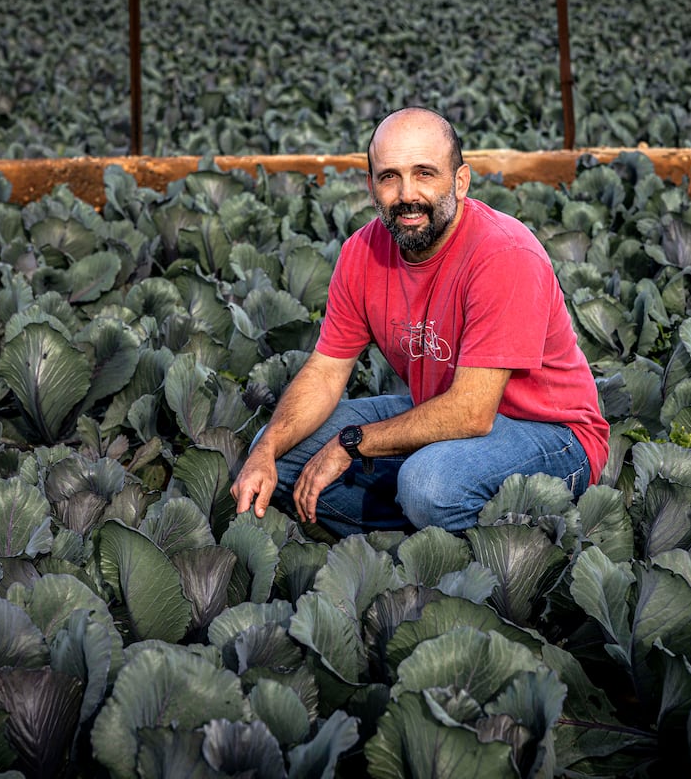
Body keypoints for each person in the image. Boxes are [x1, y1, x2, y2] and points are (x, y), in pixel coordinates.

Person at [230, 107, 609, 536]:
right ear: (371, 186)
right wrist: (266, 449)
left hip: (550, 435)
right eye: (390, 176)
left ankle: (493, 539)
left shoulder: (503, 255)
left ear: (460, 181)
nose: (407, 194)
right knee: (279, 452)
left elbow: (472, 413)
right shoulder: (362, 253)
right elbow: (325, 371)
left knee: (427, 485)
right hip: (441, 416)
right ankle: (426, 532)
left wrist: (352, 444)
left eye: (425, 173)